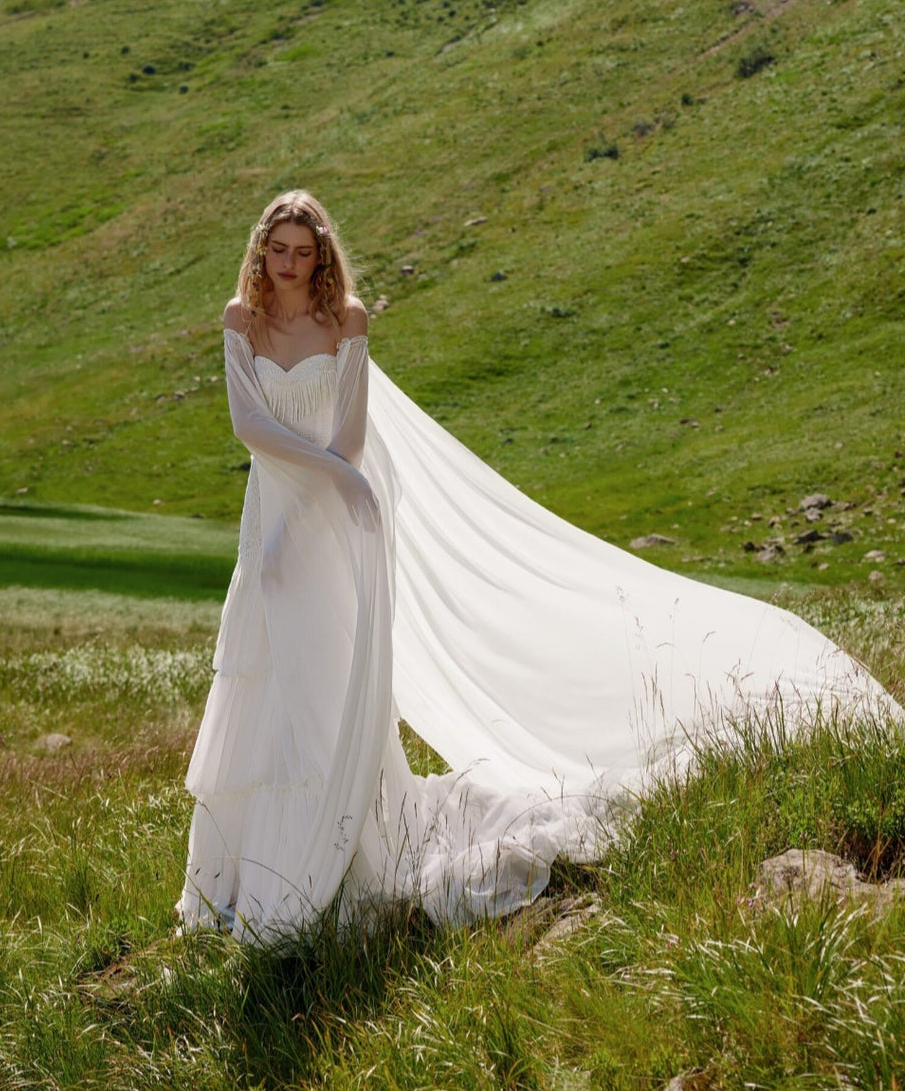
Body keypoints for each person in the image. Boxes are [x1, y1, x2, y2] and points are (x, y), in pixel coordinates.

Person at [178, 190, 896, 940]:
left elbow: (351, 437)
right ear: (260, 251)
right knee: (265, 680)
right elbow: (247, 424)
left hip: (334, 519)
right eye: (278, 250)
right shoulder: (243, 320)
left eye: (303, 251)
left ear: (321, 256)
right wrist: (293, 513)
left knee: (328, 679)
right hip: (275, 519)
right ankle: (244, 875)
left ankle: (337, 850)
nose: (289, 264)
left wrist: (328, 490)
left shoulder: (345, 320)